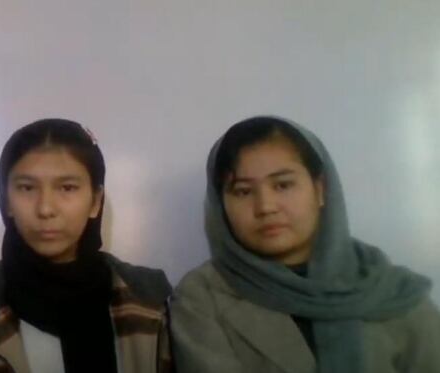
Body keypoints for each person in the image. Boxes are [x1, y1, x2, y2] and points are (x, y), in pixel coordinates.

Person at [170, 115, 440, 373]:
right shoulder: (201, 297)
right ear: (221, 205)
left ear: (320, 189)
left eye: (283, 185)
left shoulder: (391, 289)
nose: (265, 207)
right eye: (243, 191)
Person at [0, 118, 173, 373]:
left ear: (95, 201)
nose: (46, 208)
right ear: (6, 202)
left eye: (67, 188)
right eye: (27, 188)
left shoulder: (148, 299)